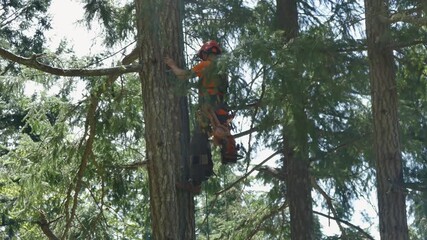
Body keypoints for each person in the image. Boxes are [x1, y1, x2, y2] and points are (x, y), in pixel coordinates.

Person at [164, 40, 240, 193]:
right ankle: (203, 175)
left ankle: (196, 182)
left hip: (211, 113)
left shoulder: (206, 65)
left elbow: (183, 76)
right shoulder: (221, 71)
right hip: (219, 113)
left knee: (197, 145)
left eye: (203, 55)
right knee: (201, 142)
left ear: (207, 53)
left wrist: (172, 65)